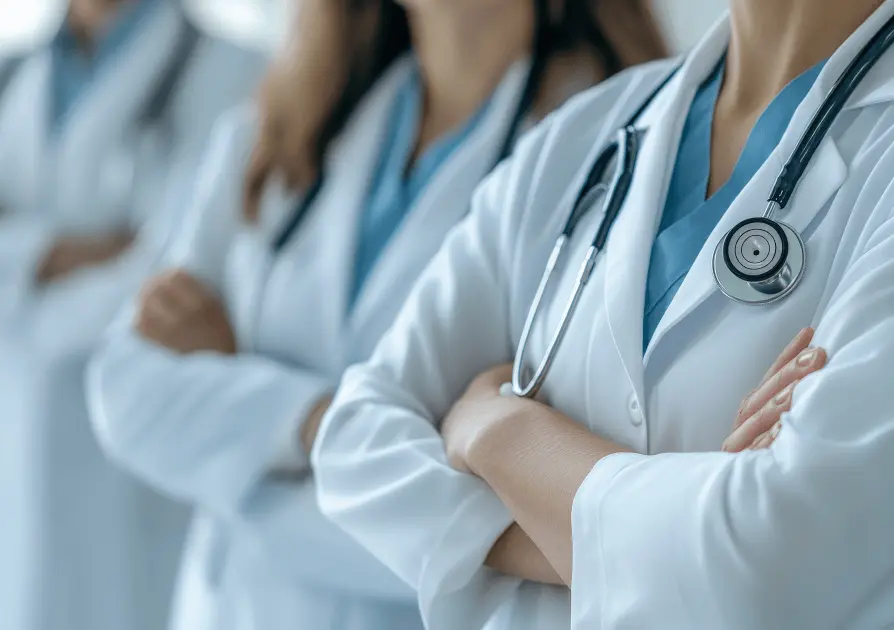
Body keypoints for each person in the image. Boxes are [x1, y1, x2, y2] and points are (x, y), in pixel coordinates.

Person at [311, 0, 894, 628]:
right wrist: (632, 545)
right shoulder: (591, 130)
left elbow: (775, 561)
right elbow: (356, 440)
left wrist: (500, 433)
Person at [85, 0, 667, 629]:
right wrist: (339, 426)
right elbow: (123, 387)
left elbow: (543, 524)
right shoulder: (276, 129)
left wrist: (233, 447)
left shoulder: (613, 156)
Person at [0, 2, 266, 629]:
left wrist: (18, 282)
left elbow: (169, 279)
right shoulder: (15, 76)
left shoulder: (234, 73)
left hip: (131, 471)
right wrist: (62, 251)